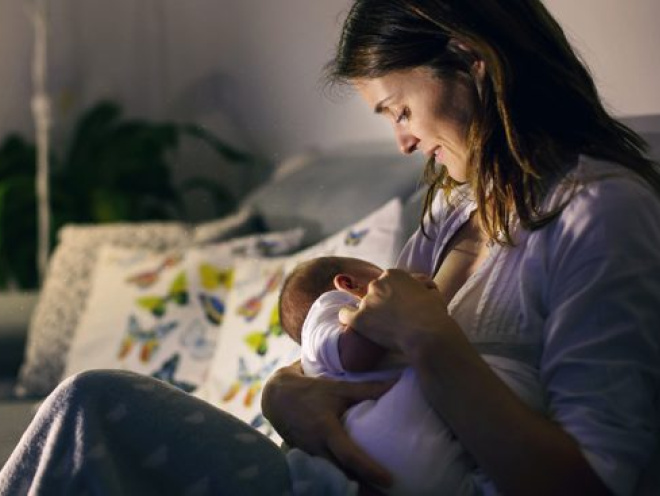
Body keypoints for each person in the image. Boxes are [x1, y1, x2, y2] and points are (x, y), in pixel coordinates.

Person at [1, 0, 659, 495]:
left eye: (399, 109)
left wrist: (436, 343)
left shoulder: (600, 214)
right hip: (329, 474)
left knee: (92, 407)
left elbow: (594, 483)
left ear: (470, 61)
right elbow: (363, 350)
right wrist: (281, 395)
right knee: (85, 414)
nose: (402, 142)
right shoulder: (454, 207)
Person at [279, 255, 546, 495]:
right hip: (390, 450)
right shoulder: (326, 310)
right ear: (347, 284)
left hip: (407, 460)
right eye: (381, 276)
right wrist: (402, 306)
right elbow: (353, 355)